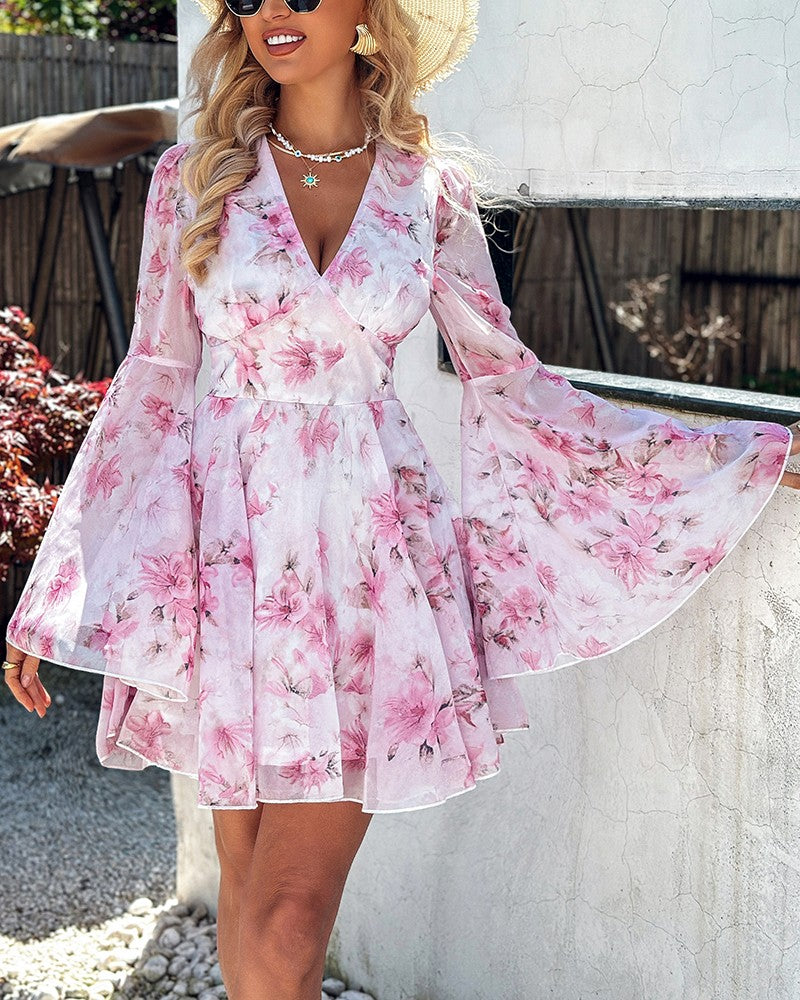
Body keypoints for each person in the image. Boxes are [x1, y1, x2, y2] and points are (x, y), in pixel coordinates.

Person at [4, 2, 800, 997]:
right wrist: (57, 591)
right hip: (228, 570)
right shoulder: (193, 178)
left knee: (289, 916)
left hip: (369, 576)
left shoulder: (429, 192)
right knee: (248, 894)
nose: (272, 11)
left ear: (367, 13)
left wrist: (732, 453)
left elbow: (509, 381)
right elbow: (152, 383)